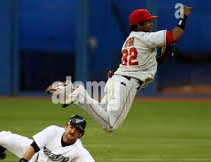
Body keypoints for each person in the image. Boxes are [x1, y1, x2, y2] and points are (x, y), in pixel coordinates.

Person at [46, 5, 192, 132]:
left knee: (101, 112)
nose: (151, 23)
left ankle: (76, 91)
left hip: (116, 80)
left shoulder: (129, 41)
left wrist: (163, 57)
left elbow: (146, 64)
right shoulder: (145, 38)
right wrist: (183, 16)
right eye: (148, 21)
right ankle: (78, 94)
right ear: (138, 25)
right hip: (127, 84)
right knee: (111, 125)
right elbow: (175, 35)